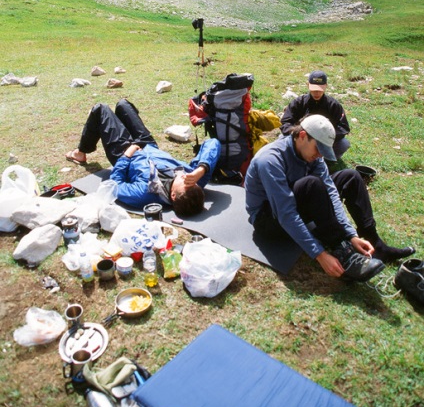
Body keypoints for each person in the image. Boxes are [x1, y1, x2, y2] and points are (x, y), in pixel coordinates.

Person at [245, 115, 415, 281]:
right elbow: (285, 213)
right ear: (303, 136)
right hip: (269, 219)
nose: (320, 156)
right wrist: (319, 254)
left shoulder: (312, 155)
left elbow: (331, 192)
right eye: (318, 149)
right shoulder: (270, 160)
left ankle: (374, 244)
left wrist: (351, 234)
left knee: (351, 177)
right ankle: (343, 253)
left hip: (297, 203)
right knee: (310, 185)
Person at [66, 99, 221, 216]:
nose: (186, 176)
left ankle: (80, 153)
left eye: (185, 181)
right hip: (148, 145)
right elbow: (213, 143)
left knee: (101, 109)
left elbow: (115, 184)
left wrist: (127, 155)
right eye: (191, 180)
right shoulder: (195, 179)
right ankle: (119, 124)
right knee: (123, 105)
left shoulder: (144, 194)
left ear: (173, 195)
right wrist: (201, 169)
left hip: (125, 152)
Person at [280, 70, 350, 160]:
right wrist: (295, 133)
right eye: (314, 89)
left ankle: (325, 160)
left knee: (343, 144)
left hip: (325, 141)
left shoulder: (333, 105)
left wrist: (327, 137)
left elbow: (343, 128)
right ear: (307, 85)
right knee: (282, 139)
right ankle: (294, 158)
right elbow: (286, 122)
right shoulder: (298, 102)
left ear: (326, 86)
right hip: (302, 139)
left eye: (320, 89)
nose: (317, 92)